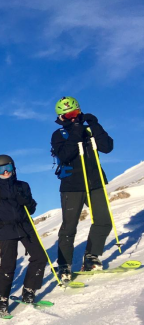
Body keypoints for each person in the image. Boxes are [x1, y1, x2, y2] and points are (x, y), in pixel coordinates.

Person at [51, 96, 114, 280]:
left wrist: (95, 124)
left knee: (103, 220)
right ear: (61, 117)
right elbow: (64, 155)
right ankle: (64, 265)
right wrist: (76, 132)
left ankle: (91, 256)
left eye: (75, 113)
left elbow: (107, 147)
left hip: (95, 182)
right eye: (68, 115)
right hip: (72, 186)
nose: (72, 118)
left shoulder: (90, 130)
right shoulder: (59, 135)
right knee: (69, 227)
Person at [0, 155, 47, 314]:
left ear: (14, 168)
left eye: (9, 167)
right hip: (4, 229)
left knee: (40, 257)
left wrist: (26, 202)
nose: (6, 172)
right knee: (8, 265)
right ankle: (2, 298)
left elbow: (32, 208)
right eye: (1, 169)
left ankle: (29, 289)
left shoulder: (23, 186)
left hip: (25, 227)